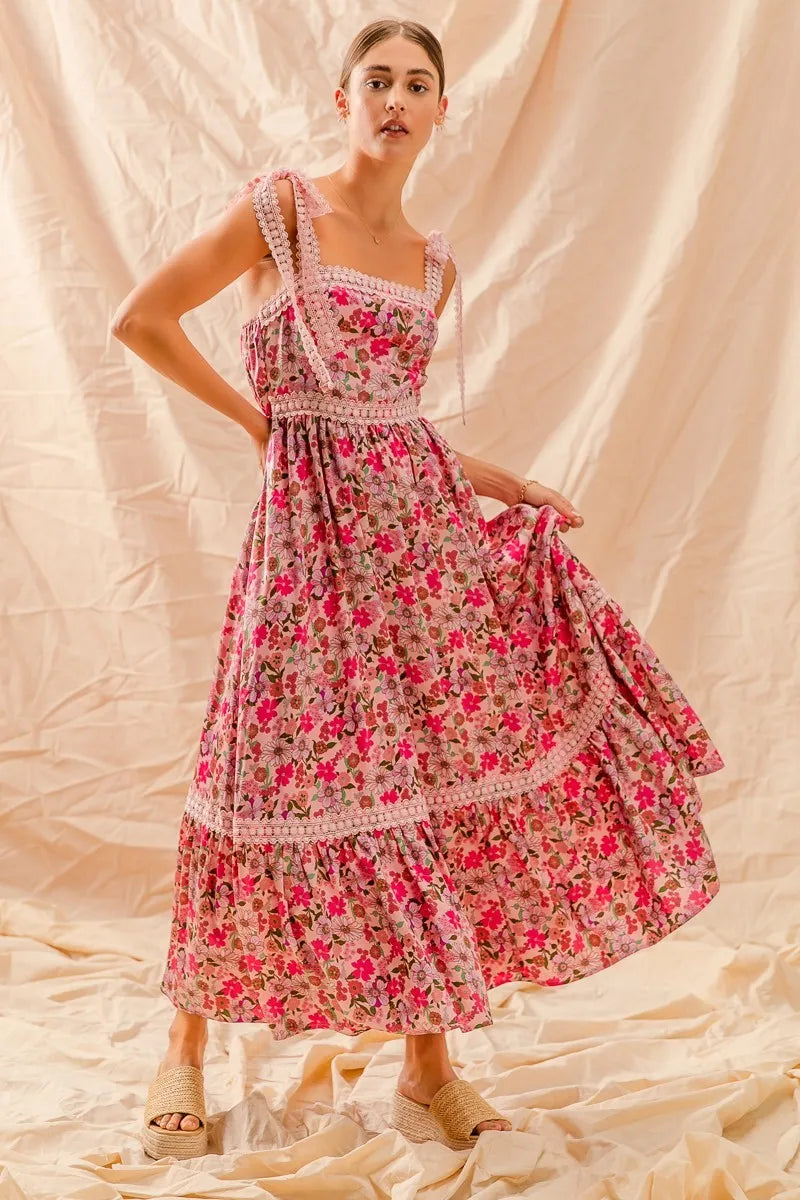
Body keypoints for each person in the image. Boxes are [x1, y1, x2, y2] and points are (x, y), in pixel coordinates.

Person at [111, 18, 724, 1160]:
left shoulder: (434, 265)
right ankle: (182, 1045)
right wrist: (262, 427)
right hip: (305, 546)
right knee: (252, 766)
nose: (395, 99)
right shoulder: (282, 212)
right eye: (377, 80)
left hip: (418, 554)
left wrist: (507, 484)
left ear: (442, 109)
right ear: (341, 97)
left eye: (417, 85)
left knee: (427, 781)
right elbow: (139, 319)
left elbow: (396, 426)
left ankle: (427, 1071)